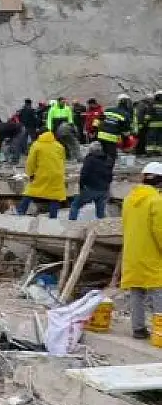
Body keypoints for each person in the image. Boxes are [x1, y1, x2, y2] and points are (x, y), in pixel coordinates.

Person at [121, 162, 162, 340]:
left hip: (132, 253)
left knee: (136, 291)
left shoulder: (129, 199)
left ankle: (138, 329)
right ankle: (159, 332)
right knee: (158, 292)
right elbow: (159, 230)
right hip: (152, 253)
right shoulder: (157, 201)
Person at [15, 131, 66, 218]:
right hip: (57, 175)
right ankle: (53, 218)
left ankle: (21, 212)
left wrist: (30, 174)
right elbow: (63, 159)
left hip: (42, 174)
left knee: (30, 192)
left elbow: (31, 162)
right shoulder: (59, 146)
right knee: (55, 196)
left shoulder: (36, 145)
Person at [69, 142, 113, 220]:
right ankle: (102, 228)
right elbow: (110, 176)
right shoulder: (108, 159)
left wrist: (82, 187)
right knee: (100, 213)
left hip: (91, 188)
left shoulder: (89, 159)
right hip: (104, 189)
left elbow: (84, 175)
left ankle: (72, 225)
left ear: (90, 150)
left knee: (75, 205)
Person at [95, 94, 134, 159]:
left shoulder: (108, 110)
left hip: (100, 135)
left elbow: (97, 120)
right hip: (111, 137)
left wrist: (94, 130)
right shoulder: (125, 114)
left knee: (103, 153)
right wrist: (126, 144)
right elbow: (125, 132)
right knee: (111, 156)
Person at [136, 91, 162, 156]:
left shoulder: (152, 104)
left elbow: (148, 115)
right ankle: (158, 151)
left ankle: (150, 152)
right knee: (159, 138)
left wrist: (144, 122)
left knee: (151, 138)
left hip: (152, 125)